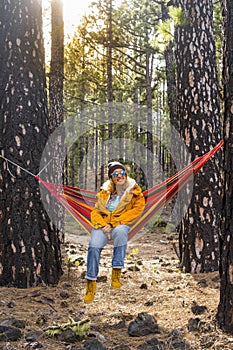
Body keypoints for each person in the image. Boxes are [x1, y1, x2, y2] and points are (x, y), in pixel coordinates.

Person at [83, 161, 145, 303]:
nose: (120, 176)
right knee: (93, 247)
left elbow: (136, 211)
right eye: (116, 174)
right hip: (104, 225)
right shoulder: (104, 193)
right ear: (111, 177)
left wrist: (113, 224)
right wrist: (104, 225)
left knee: (121, 232)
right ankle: (90, 285)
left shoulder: (134, 191)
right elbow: (95, 212)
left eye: (122, 173)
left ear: (126, 175)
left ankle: (116, 271)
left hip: (120, 224)